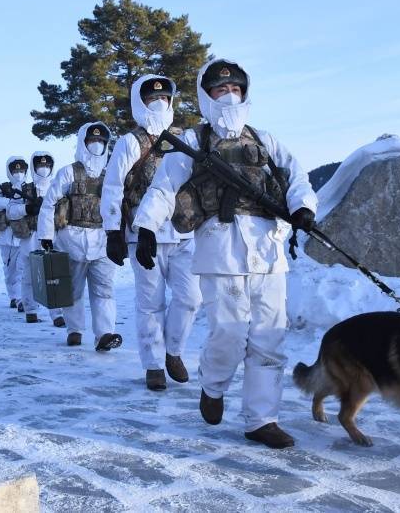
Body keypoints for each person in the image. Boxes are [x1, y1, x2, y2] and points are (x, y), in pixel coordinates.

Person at [133, 58, 318, 449]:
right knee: (229, 334)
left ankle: (261, 419)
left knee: (270, 337)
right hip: (220, 248)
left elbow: (296, 175)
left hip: (267, 249)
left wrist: (303, 207)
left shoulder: (264, 139)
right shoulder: (193, 143)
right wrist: (147, 227)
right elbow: (164, 188)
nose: (229, 96)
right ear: (206, 96)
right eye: (220, 90)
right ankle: (214, 385)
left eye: (235, 89)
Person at [101, 75, 199, 391]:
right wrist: (112, 232)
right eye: (151, 98)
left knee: (190, 298)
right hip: (143, 237)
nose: (159, 103)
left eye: (165, 98)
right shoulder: (130, 143)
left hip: (183, 232)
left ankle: (174, 351)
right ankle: (154, 365)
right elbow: (113, 188)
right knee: (150, 303)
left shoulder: (186, 138)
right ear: (139, 103)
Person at [37, 122, 122, 350]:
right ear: (83, 143)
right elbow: (49, 204)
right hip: (71, 240)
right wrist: (46, 235)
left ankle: (105, 334)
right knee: (73, 290)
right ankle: (74, 329)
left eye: (101, 142)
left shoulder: (111, 173)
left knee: (104, 290)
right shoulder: (69, 172)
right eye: (92, 141)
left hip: (103, 240)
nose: (97, 145)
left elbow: (120, 205)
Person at [0, 156, 35, 317]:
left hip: (25, 235)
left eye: (21, 170)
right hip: (6, 236)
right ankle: (13, 296)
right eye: (15, 170)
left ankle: (22, 299)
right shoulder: (3, 188)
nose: (18, 173)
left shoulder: (30, 187)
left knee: (23, 268)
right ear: (10, 171)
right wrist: (10, 203)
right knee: (10, 270)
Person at [24, 150, 66, 327]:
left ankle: (57, 314)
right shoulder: (25, 189)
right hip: (30, 236)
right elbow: (11, 210)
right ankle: (30, 310)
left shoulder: (58, 185)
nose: (44, 168)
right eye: (40, 165)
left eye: (47, 165)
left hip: (53, 235)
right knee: (29, 276)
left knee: (53, 274)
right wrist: (27, 209)